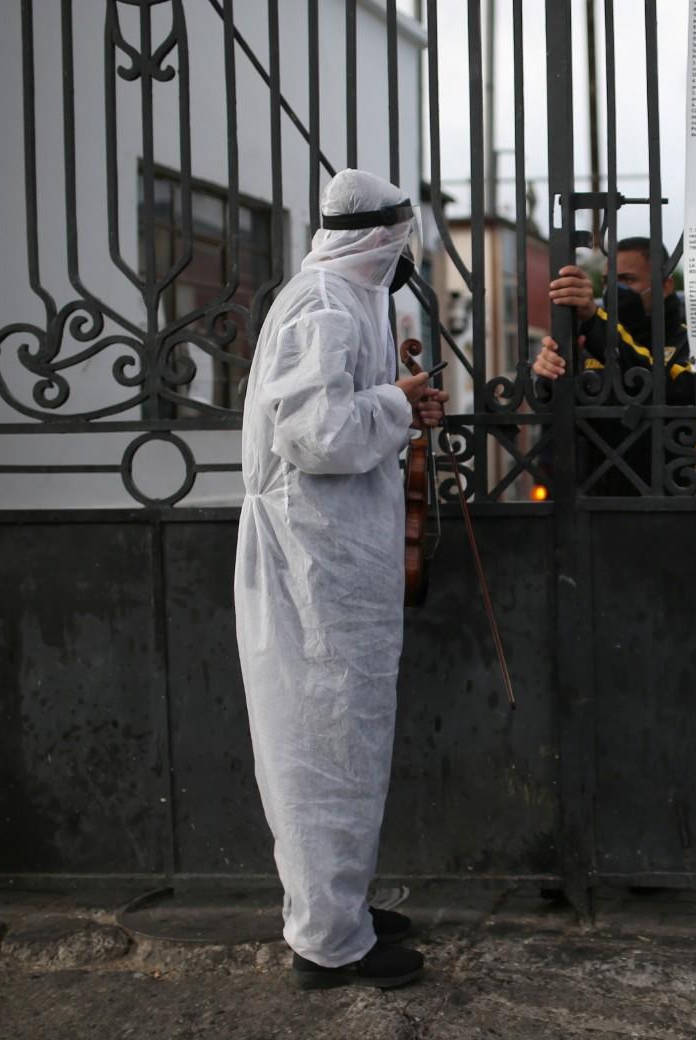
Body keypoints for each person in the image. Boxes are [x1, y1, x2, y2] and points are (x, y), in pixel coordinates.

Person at [234, 169, 447, 991]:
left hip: (339, 558)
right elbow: (318, 434)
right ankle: (327, 945)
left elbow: (356, 410)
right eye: (402, 239)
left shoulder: (359, 300)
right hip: (310, 562)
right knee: (319, 742)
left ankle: (337, 909)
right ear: (381, 237)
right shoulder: (322, 304)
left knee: (347, 738)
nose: (407, 254)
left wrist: (401, 405)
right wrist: (396, 401)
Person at [534, 238, 696, 494]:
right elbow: (556, 416)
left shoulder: (692, 342)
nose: (614, 291)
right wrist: (550, 373)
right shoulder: (589, 337)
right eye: (606, 283)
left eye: (627, 280)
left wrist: (596, 323)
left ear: (665, 286)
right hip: (591, 504)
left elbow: (670, 391)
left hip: (667, 503)